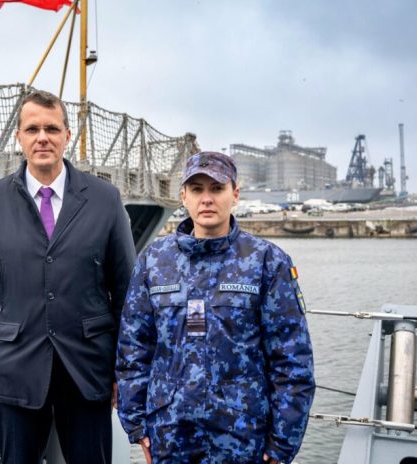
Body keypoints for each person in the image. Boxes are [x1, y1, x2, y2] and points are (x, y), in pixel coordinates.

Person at [0, 90, 135, 463]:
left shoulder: (105, 199)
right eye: (33, 129)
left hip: (88, 369)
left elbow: (126, 295)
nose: (43, 138)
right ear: (19, 137)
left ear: (67, 135)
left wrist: (125, 370)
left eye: (52, 129)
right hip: (16, 369)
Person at [116, 151, 315, 464]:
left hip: (243, 437)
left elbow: (292, 359)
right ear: (183, 196)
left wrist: (282, 444)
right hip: (171, 435)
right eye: (197, 189)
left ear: (234, 194)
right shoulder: (154, 261)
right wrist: (137, 425)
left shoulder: (267, 261)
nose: (206, 199)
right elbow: (134, 348)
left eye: (217, 188)